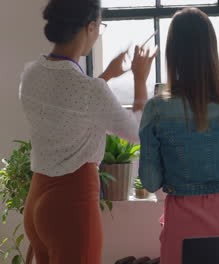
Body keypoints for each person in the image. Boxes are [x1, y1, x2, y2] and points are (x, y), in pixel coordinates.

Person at [20, 0, 157, 263]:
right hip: (71, 203)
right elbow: (137, 132)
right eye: (100, 26)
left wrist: (104, 76)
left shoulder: (31, 73)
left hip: (36, 200)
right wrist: (140, 80)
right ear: (90, 27)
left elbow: (68, 104)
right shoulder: (90, 90)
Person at [138, 7, 219, 264]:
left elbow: (149, 182)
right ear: (212, 51)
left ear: (172, 53)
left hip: (184, 224)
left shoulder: (157, 108)